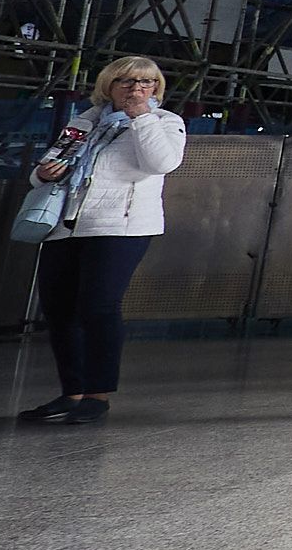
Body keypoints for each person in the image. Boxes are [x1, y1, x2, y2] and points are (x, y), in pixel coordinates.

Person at [15, 57, 188, 426]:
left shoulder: (164, 123)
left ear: (156, 87)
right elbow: (50, 163)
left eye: (145, 82)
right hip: (66, 225)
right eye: (125, 82)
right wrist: (42, 173)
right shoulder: (85, 121)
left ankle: (97, 394)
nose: (135, 88)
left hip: (120, 227)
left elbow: (162, 163)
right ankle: (71, 392)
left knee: (99, 305)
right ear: (108, 85)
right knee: (59, 309)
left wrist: (140, 116)